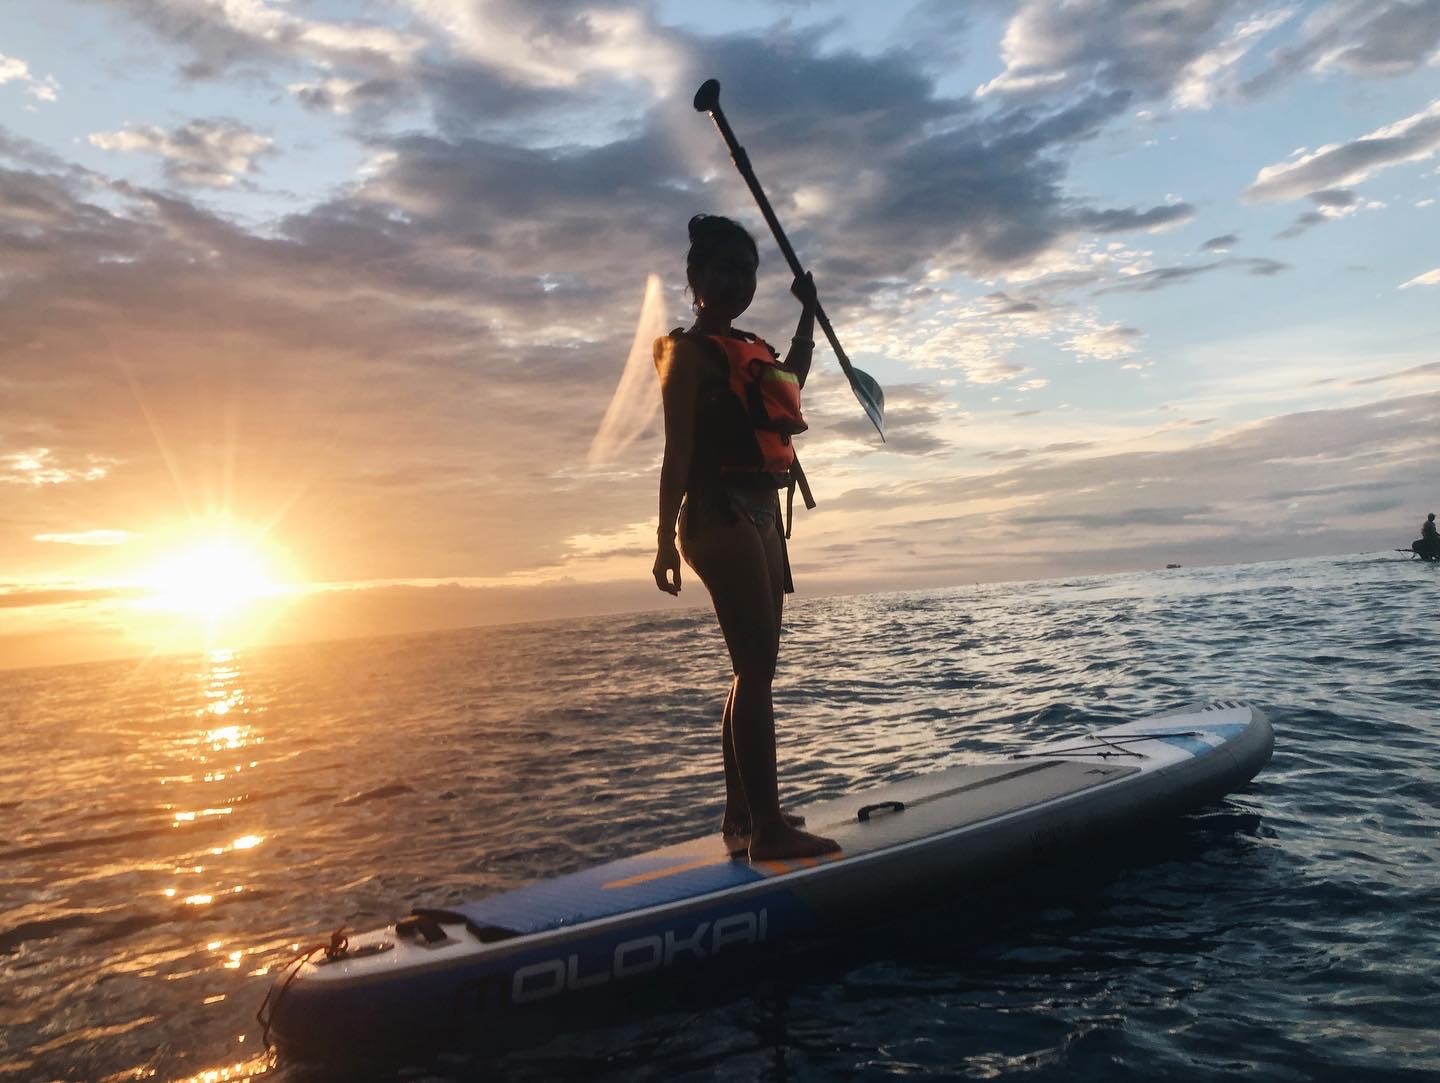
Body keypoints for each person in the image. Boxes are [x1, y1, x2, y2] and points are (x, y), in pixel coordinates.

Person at [651, 214, 839, 862]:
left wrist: (808, 314)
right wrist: (663, 538)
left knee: (752, 668)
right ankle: (768, 830)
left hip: (763, 511)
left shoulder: (752, 346)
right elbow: (677, 450)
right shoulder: (685, 354)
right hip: (718, 511)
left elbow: (791, 384)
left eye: (747, 270)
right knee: (756, 667)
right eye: (723, 269)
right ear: (695, 278)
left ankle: (744, 814)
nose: (737, 281)